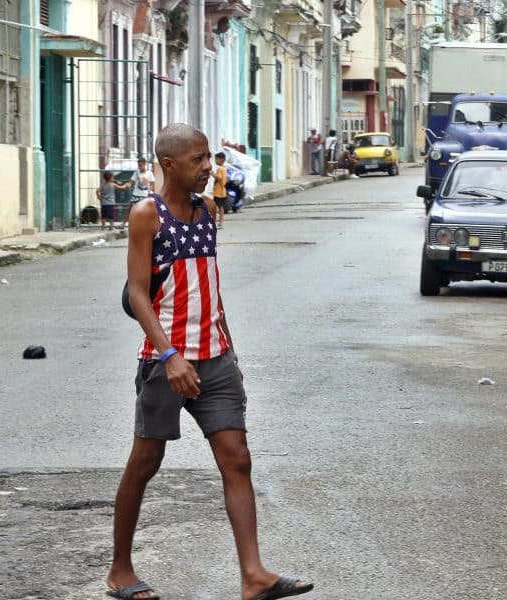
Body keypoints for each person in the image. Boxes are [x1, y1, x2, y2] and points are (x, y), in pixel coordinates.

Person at [107, 123, 314, 600]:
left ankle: (253, 575)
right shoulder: (146, 215)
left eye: (208, 158)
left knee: (236, 458)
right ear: (169, 165)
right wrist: (171, 355)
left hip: (216, 357)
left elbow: (208, 289)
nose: (208, 168)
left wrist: (230, 350)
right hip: (167, 361)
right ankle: (120, 570)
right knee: (146, 460)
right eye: (198, 160)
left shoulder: (207, 210)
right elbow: (138, 293)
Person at [124, 158, 157, 225]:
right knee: (130, 209)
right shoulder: (136, 172)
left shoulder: (149, 173)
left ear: (144, 164)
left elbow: (152, 184)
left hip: (144, 195)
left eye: (141, 165)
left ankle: (145, 225)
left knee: (145, 211)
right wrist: (128, 185)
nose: (139, 166)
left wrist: (150, 192)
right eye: (138, 165)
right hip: (135, 194)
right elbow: (131, 181)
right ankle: (123, 224)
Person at [212, 152, 229, 229]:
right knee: (220, 208)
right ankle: (220, 223)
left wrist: (212, 174)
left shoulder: (220, 169)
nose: (215, 161)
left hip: (219, 193)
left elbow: (219, 178)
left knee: (216, 208)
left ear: (221, 159)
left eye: (216, 159)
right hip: (222, 192)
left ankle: (217, 222)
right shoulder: (224, 168)